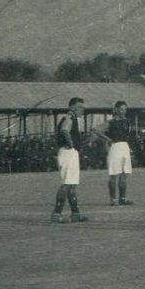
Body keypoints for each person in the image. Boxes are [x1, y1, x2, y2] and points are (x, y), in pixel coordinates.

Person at [50, 96, 91, 224]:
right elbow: (64, 130)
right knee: (67, 184)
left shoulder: (73, 118)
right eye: (79, 107)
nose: (82, 110)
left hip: (71, 153)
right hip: (68, 152)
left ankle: (75, 214)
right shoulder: (69, 118)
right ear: (71, 107)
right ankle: (56, 214)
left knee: (72, 185)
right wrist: (71, 143)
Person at [104, 100, 135, 205]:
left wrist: (130, 148)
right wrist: (107, 139)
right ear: (116, 109)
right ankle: (113, 199)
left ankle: (123, 198)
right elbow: (96, 130)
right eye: (121, 109)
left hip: (125, 147)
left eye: (125, 109)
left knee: (124, 174)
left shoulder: (127, 122)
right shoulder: (111, 122)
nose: (123, 111)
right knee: (113, 174)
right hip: (115, 147)